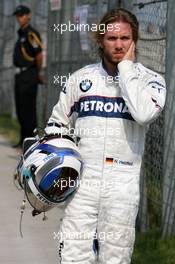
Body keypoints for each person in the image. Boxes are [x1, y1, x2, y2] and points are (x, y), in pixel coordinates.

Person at [45, 8, 166, 264]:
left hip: (122, 185)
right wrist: (56, 168)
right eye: (112, 38)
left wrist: (126, 70)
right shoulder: (81, 79)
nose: (119, 44)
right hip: (82, 183)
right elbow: (57, 125)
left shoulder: (150, 80)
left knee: (115, 259)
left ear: (135, 40)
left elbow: (144, 114)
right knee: (73, 257)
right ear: (100, 40)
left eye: (125, 38)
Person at [12, 5, 44, 148]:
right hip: (20, 75)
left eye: (22, 15)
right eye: (18, 15)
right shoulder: (21, 34)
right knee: (20, 109)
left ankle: (31, 142)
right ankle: (23, 139)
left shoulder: (31, 34)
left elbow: (39, 54)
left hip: (29, 75)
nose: (19, 18)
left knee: (28, 110)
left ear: (28, 16)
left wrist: (38, 72)